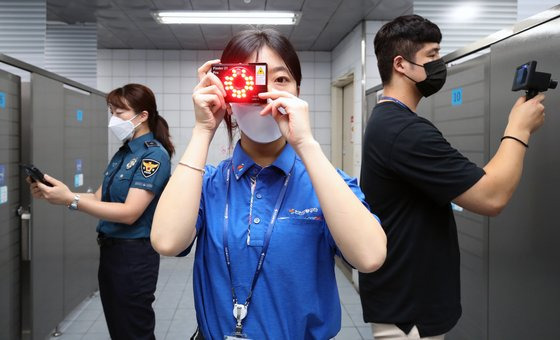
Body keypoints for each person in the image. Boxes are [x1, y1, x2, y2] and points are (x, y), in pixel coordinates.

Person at [150, 28, 387, 339]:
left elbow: (369, 257)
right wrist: (203, 130)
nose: (265, 93)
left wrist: (305, 143)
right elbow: (166, 242)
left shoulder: (327, 183)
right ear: (226, 94)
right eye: (249, 79)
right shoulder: (207, 183)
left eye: (280, 80)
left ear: (298, 92)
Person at [359, 14, 546, 339]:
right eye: (431, 56)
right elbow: (491, 195)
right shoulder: (403, 129)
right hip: (409, 315)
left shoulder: (387, 120)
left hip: (405, 301)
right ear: (401, 64)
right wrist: (519, 128)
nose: (439, 64)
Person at [29, 83, 173, 340]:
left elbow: (130, 212)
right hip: (112, 252)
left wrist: (70, 200)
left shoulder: (153, 156)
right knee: (120, 329)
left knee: (133, 331)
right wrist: (60, 193)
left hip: (133, 255)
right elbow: (98, 198)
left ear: (143, 116)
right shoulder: (123, 153)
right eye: (111, 112)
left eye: (120, 113)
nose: (113, 119)